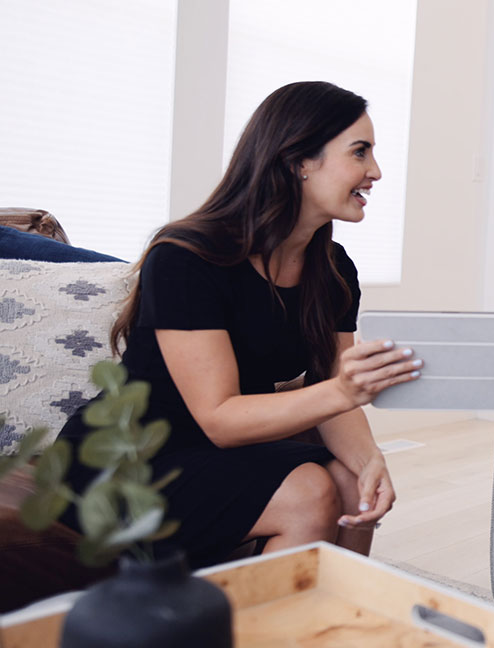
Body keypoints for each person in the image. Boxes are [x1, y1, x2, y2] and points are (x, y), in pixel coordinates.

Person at [55, 81, 421, 567]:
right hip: (133, 458)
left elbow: (334, 389)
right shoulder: (187, 258)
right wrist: (346, 390)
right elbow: (220, 418)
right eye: (360, 152)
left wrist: (368, 459)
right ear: (298, 161)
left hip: (224, 452)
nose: (375, 171)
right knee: (308, 492)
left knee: (356, 488)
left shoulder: (332, 268)